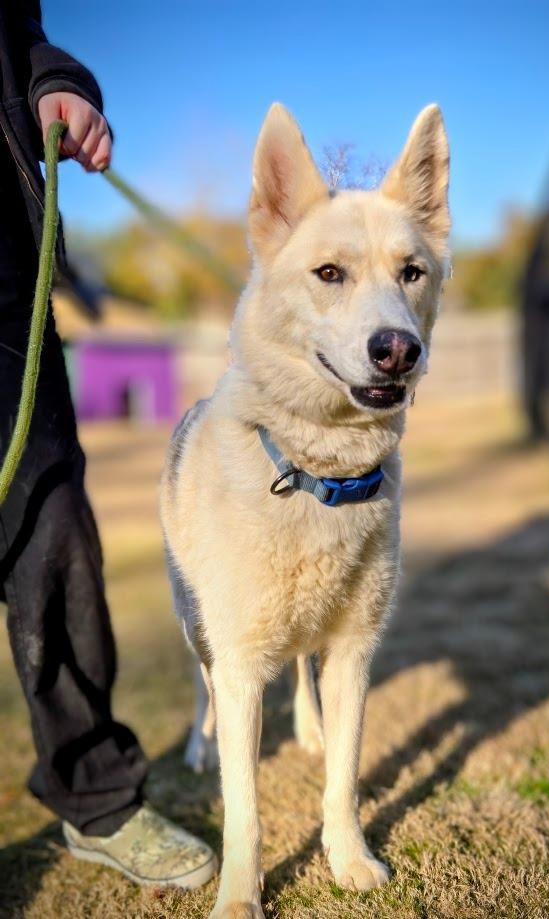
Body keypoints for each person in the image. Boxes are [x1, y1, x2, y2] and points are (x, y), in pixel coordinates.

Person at [0, 2, 216, 889]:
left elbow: (21, 37)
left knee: (55, 549)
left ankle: (99, 796)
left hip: (9, 299)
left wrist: (59, 84)